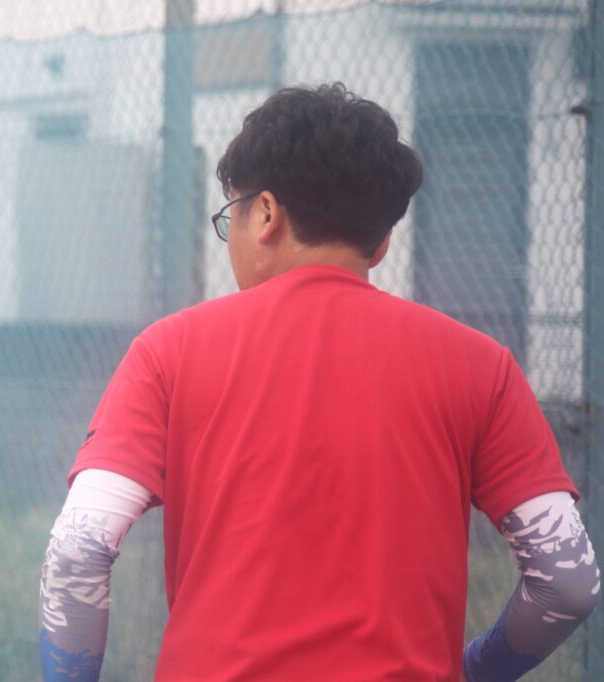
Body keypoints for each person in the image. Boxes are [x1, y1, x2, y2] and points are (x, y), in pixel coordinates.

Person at [38, 83, 599, 681]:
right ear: (381, 243)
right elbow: (566, 580)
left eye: (231, 217)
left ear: (266, 213)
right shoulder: (481, 366)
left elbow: (78, 549)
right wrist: (477, 670)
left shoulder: (168, 352)